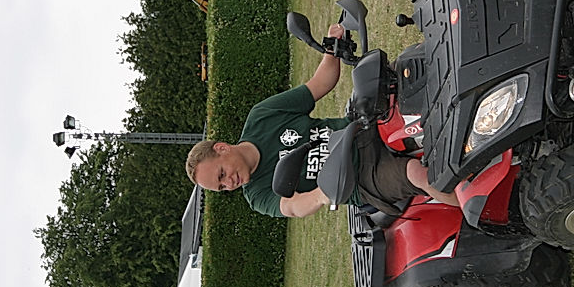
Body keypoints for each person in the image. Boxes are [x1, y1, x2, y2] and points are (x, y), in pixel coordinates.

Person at [186, 23, 460, 218]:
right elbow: (292, 206)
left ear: (222, 148)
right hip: (360, 178)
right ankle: (485, 214)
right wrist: (321, 195)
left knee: (405, 67)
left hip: (360, 127)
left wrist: (333, 46)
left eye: (222, 175)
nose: (229, 183)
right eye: (222, 187)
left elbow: (318, 84)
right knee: (417, 174)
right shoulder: (258, 195)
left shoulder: (261, 117)